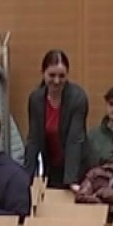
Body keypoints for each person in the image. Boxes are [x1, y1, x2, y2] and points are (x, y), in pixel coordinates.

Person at [24, 49, 90, 184]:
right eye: (52, 75)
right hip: (50, 165)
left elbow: (75, 140)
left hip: (76, 166)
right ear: (43, 73)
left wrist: (71, 180)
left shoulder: (78, 98)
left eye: (62, 76)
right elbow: (33, 140)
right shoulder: (36, 99)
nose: (56, 80)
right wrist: (26, 177)